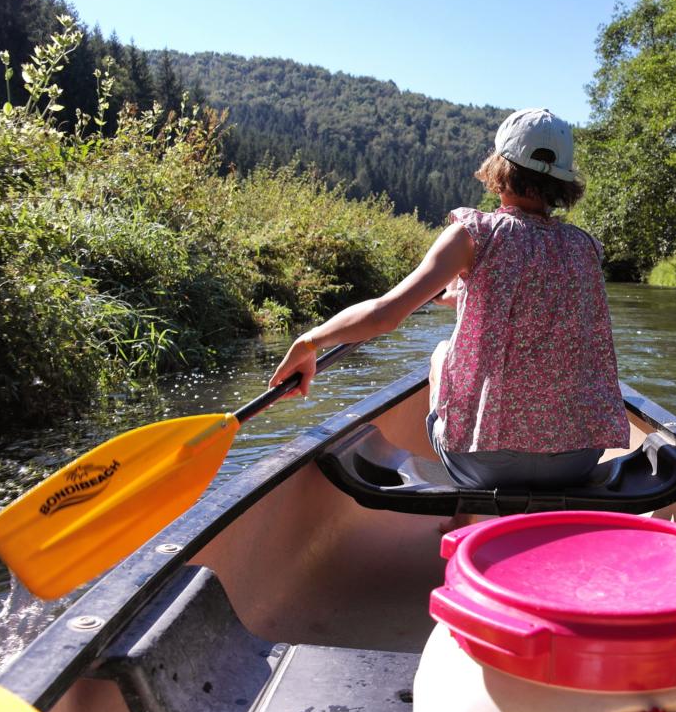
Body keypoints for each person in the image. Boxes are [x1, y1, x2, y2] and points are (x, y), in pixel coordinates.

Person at [270, 108, 629, 509]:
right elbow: (538, 304)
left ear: (499, 166)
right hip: (578, 460)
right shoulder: (583, 247)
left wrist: (309, 340)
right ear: (561, 181)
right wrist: (465, 296)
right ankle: (474, 513)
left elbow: (385, 314)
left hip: (489, 466)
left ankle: (465, 507)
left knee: (442, 354)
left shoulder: (474, 233)